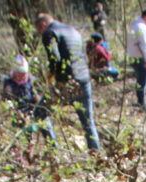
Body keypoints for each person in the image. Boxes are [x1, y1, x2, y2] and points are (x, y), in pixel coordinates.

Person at [35, 12, 100, 152]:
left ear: (43, 25)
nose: (40, 34)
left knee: (40, 112)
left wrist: (51, 74)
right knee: (88, 122)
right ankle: (97, 156)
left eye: (39, 31)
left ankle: (53, 151)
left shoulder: (49, 33)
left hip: (66, 82)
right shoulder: (73, 30)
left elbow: (54, 57)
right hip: (84, 79)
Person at [0, 56, 56, 144]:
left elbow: (35, 94)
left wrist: (37, 102)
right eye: (19, 73)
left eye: (23, 73)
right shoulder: (9, 84)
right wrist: (15, 111)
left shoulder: (30, 81)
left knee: (45, 122)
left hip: (32, 110)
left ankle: (52, 145)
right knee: (22, 137)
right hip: (19, 114)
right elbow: (7, 100)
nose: (22, 76)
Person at [127, 8, 146, 109]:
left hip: (134, 57)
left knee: (140, 80)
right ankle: (142, 103)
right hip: (140, 58)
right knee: (142, 81)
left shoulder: (134, 25)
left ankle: (140, 100)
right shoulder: (141, 28)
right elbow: (144, 45)